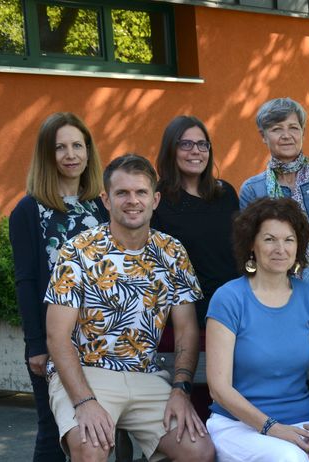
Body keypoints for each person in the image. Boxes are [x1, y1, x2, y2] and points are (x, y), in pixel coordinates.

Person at [44, 154, 214, 462]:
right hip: (87, 374)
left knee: (198, 450)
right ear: (106, 200)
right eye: (122, 193)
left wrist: (180, 390)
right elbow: (57, 337)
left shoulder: (172, 252)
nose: (132, 201)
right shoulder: (77, 251)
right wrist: (84, 402)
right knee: (90, 446)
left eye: (141, 192)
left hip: (146, 376)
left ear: (155, 199)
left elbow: (187, 329)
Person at [205, 197, 309, 462]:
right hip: (239, 426)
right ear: (251, 245)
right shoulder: (229, 298)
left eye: (289, 240)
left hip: (303, 423)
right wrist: (272, 427)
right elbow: (219, 388)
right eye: (269, 239)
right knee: (290, 459)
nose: (280, 248)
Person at [9, 112, 107, 462]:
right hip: (54, 341)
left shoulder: (100, 206)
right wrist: (35, 345)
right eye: (60, 147)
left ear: (88, 151)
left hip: (100, 341)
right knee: (53, 431)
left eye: (78, 145)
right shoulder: (28, 210)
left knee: (98, 429)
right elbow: (26, 281)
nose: (71, 155)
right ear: (46, 156)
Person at [240, 98, 309, 302]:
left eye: (293, 128)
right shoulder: (252, 190)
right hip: (279, 288)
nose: (286, 136)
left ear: (303, 132)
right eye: (277, 129)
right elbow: (249, 248)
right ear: (263, 136)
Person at [153, 115, 239, 329]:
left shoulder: (225, 193)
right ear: (170, 150)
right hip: (186, 317)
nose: (196, 151)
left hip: (233, 310)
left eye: (202, 144)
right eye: (186, 144)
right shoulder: (157, 199)